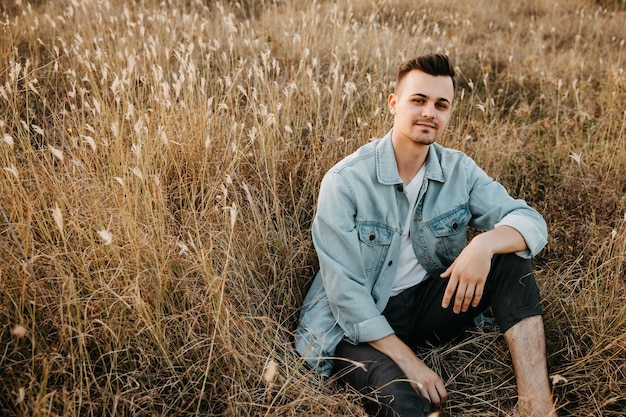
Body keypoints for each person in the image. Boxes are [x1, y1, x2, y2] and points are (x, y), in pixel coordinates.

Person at [295, 53, 557, 417]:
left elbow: (530, 222)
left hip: (422, 306)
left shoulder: (458, 170)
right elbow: (345, 295)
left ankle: (537, 406)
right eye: (418, 100)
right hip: (353, 325)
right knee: (406, 402)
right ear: (394, 104)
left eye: (440, 104)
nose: (429, 113)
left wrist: (483, 244)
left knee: (510, 260)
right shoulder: (346, 182)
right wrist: (411, 363)